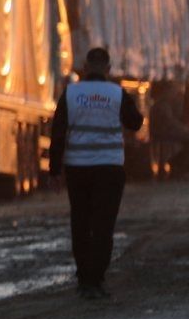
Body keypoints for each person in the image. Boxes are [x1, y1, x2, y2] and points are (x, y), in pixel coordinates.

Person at [48, 47, 145, 299]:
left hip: (77, 169)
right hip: (109, 169)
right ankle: (97, 279)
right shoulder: (116, 93)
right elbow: (135, 123)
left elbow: (57, 133)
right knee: (103, 225)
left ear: (85, 66)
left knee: (80, 223)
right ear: (108, 68)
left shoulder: (71, 93)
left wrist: (54, 170)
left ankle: (83, 279)